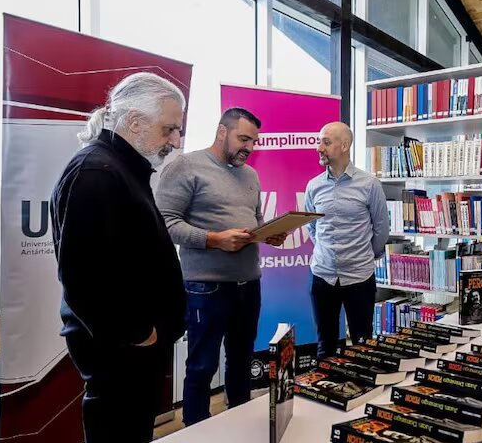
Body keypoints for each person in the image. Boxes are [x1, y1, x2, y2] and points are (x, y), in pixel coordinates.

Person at [50, 72, 186, 443]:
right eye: (169, 129)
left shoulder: (120, 167)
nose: (176, 140)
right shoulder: (97, 172)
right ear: (135, 122)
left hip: (133, 348)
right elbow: (83, 278)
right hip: (121, 350)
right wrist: (139, 333)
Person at [156, 107, 286, 424]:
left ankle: (237, 424)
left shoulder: (250, 175)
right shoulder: (186, 167)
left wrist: (267, 233)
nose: (249, 147)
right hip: (205, 286)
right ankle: (196, 431)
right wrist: (214, 239)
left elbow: (254, 219)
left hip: (248, 284)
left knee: (241, 360)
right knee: (202, 366)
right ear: (221, 132)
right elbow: (163, 223)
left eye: (254, 141)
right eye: (243, 139)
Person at [305, 122, 389, 357]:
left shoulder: (369, 184)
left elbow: (381, 229)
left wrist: (363, 255)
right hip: (323, 276)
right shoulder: (313, 186)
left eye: (326, 142)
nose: (319, 148)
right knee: (325, 346)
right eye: (319, 142)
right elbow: (312, 227)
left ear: (344, 145)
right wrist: (327, 253)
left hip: (359, 277)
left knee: (363, 345)